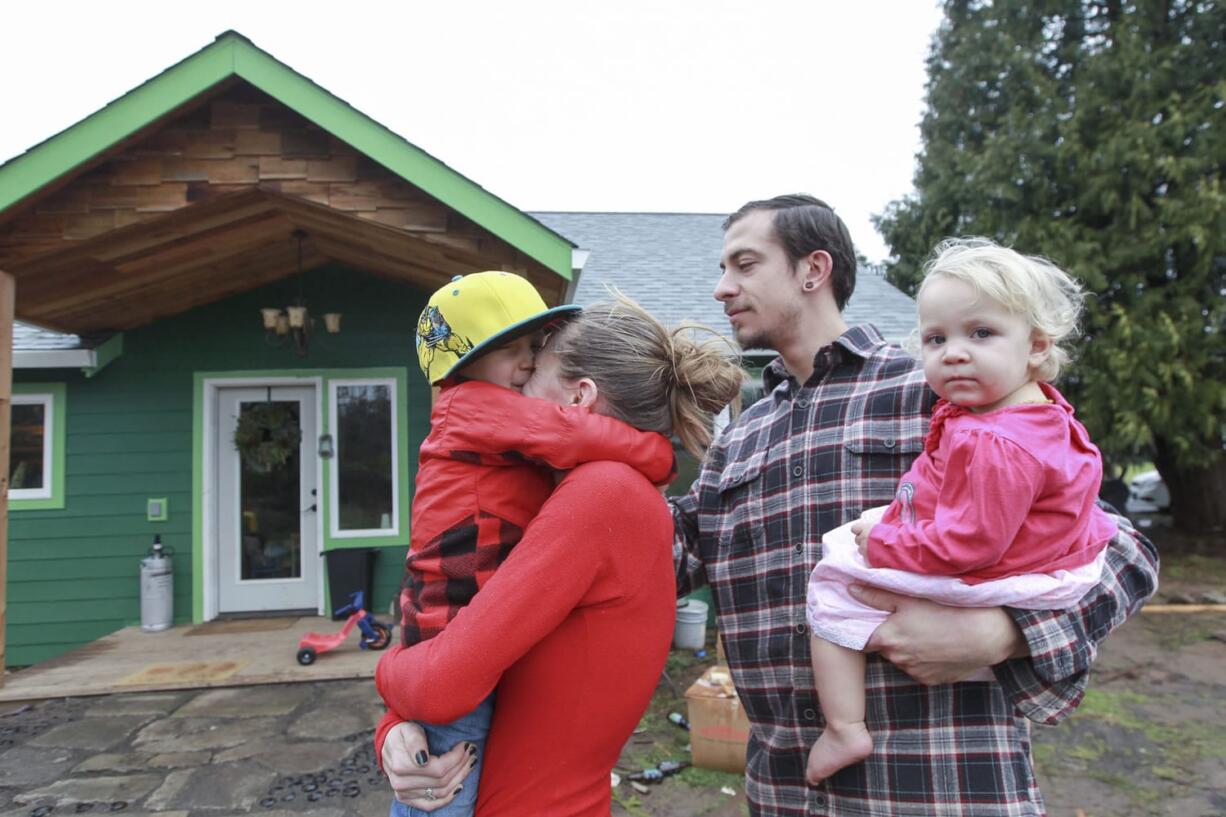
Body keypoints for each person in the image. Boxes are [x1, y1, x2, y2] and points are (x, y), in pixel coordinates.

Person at [670, 194, 1159, 816]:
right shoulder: (737, 438)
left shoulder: (947, 392)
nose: (721, 288)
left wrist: (1004, 632)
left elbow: (1126, 551)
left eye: (744, 264)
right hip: (785, 791)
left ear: (812, 271)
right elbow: (663, 559)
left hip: (944, 786)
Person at [377, 294, 744, 815]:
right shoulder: (594, 493)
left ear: (579, 400)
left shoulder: (603, 494)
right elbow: (471, 648)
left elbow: (439, 685)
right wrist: (396, 734)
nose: (514, 396)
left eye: (529, 381)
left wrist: (387, 669)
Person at [804, 237, 1118, 784]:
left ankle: (844, 726)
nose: (952, 352)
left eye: (981, 333)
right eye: (935, 338)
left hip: (992, 573)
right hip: (1044, 558)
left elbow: (968, 544)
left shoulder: (996, 442)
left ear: (1038, 347)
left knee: (831, 583)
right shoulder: (1039, 416)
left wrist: (881, 543)